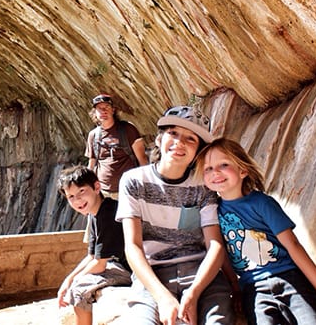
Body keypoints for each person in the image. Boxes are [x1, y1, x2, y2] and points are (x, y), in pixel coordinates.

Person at [196, 138, 316, 325]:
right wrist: (235, 288)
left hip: (289, 277)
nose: (215, 172)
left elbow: (293, 245)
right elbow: (222, 254)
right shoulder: (213, 213)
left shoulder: (262, 203)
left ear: (243, 170)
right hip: (253, 288)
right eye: (208, 169)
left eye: (223, 164)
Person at [116, 105, 234, 325]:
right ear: (159, 139)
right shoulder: (133, 181)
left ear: (198, 151)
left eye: (191, 138)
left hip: (202, 273)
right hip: (152, 275)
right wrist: (162, 297)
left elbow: (215, 245)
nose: (180, 142)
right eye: (173, 133)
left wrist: (195, 292)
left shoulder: (203, 185)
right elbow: (132, 246)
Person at [57, 165, 132, 325]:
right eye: (71, 197)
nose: (77, 200)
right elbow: (91, 256)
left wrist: (74, 281)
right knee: (75, 283)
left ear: (97, 187)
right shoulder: (93, 213)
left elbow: (99, 265)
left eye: (81, 192)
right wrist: (68, 279)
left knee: (79, 290)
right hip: (118, 264)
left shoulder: (109, 213)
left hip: (131, 269)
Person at [86, 94, 148, 198]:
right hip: (103, 192)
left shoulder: (128, 130)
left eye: (107, 107)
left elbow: (142, 159)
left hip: (128, 190)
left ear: (113, 110)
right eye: (99, 109)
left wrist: (147, 185)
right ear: (95, 113)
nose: (103, 111)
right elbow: (91, 164)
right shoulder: (93, 135)